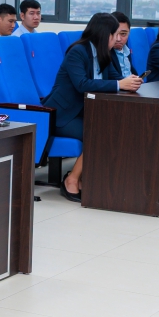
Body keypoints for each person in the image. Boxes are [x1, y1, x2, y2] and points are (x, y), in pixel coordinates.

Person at [46, 13, 142, 199]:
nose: (117, 39)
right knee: (99, 133)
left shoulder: (104, 54)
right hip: (64, 115)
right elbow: (82, 84)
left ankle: (86, 177)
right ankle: (71, 179)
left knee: (116, 128)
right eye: (115, 34)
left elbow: (115, 78)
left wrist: (130, 82)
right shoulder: (77, 52)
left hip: (86, 112)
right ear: (105, 34)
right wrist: (119, 84)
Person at [110, 11, 139, 77]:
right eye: (114, 33)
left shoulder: (126, 50)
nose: (118, 39)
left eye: (123, 34)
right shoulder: (104, 53)